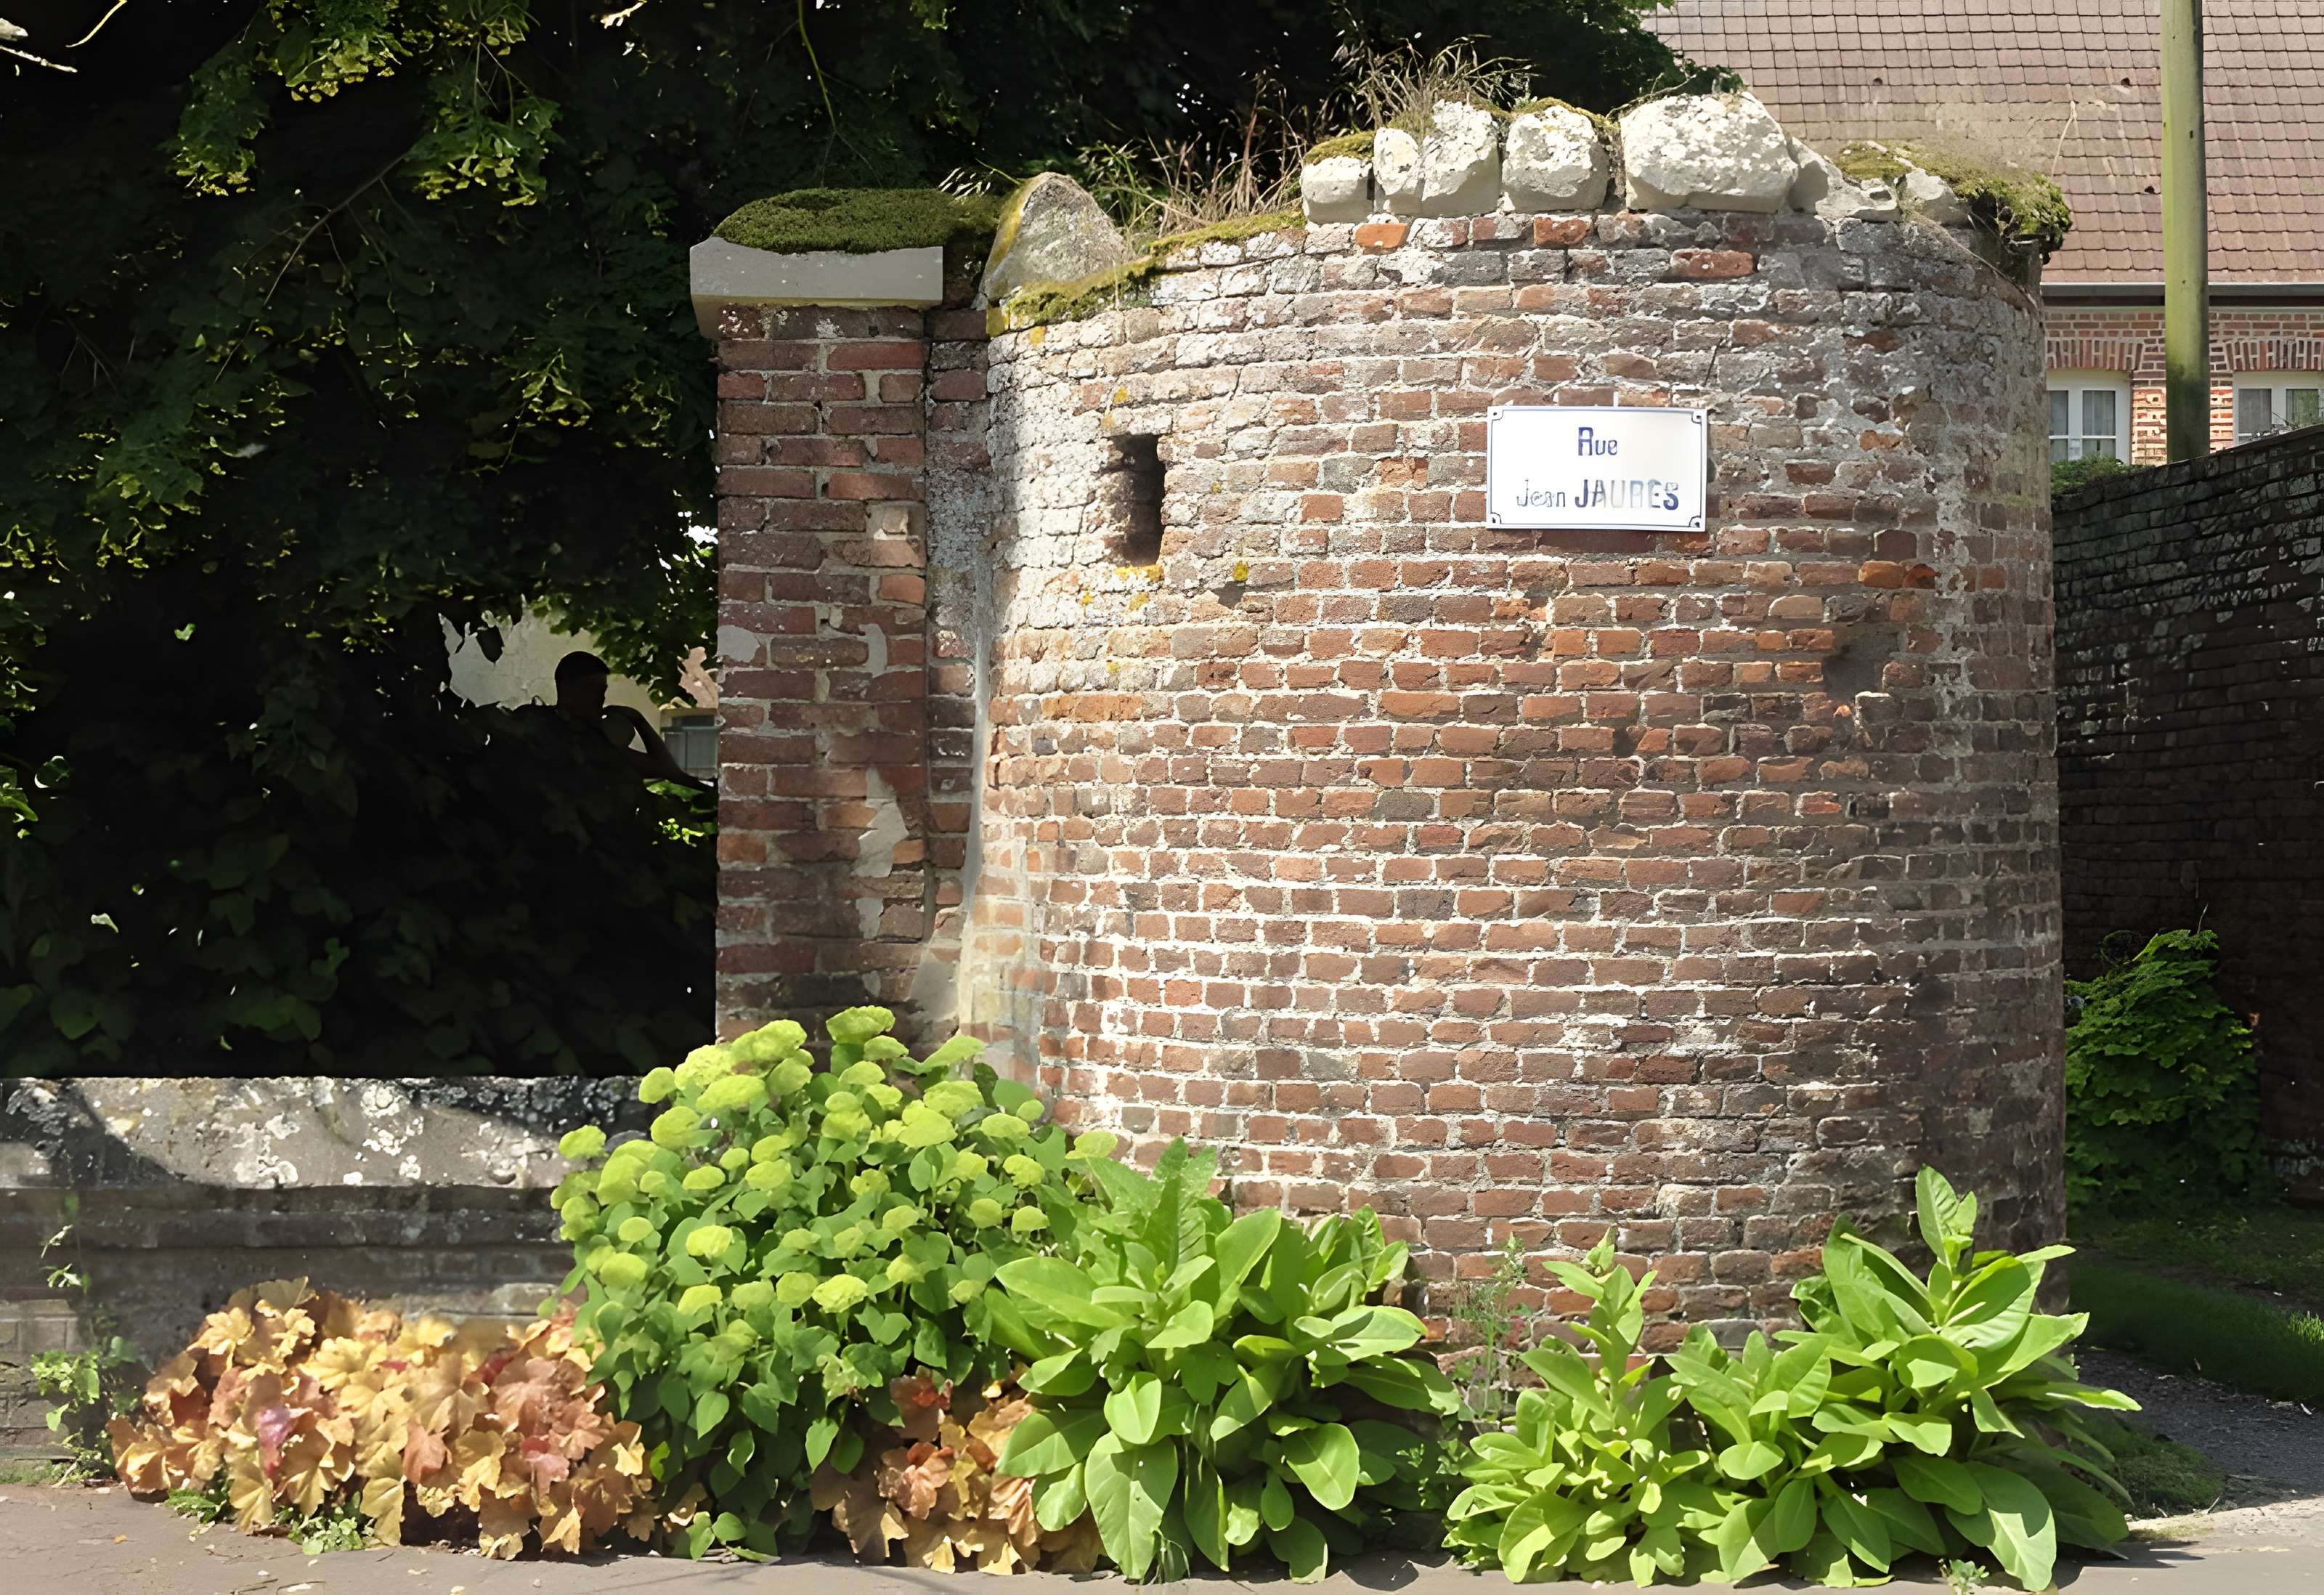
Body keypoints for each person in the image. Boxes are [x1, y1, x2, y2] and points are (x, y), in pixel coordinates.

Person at [551, 650, 713, 793]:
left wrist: (639, 720)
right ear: (568, 688)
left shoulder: (598, 739)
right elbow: (667, 770)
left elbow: (666, 770)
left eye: (603, 691)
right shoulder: (549, 732)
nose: (601, 698)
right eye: (593, 690)